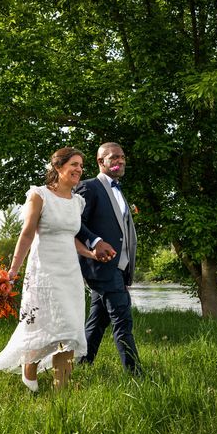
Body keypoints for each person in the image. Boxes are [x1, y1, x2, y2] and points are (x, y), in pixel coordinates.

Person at [0, 147, 98, 392]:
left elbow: (70, 236)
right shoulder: (39, 195)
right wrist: (12, 270)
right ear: (58, 167)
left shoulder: (78, 202)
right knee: (41, 324)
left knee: (71, 328)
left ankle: (61, 387)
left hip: (70, 272)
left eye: (81, 166)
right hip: (44, 271)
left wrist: (90, 253)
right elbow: (28, 233)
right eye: (74, 164)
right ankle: (29, 367)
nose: (79, 170)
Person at [75, 142, 142, 375]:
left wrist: (125, 268)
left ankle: (82, 365)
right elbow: (75, 223)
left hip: (118, 267)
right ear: (100, 162)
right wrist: (95, 242)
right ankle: (136, 375)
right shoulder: (89, 187)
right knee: (123, 321)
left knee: (97, 322)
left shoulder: (119, 190)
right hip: (101, 266)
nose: (120, 161)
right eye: (113, 158)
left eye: (122, 157)